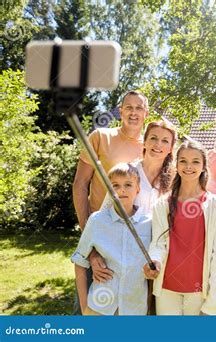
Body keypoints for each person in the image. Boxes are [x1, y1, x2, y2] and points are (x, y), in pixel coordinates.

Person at [71, 90, 148, 314]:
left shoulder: (151, 146)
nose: (134, 112)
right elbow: (80, 184)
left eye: (139, 108)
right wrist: (91, 244)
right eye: (129, 107)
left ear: (146, 113)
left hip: (133, 242)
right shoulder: (100, 137)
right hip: (98, 233)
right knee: (88, 309)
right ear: (120, 111)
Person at [143, 140, 216, 315]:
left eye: (195, 161)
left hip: (199, 292)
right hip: (167, 288)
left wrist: (212, 301)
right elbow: (158, 244)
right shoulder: (162, 204)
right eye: (183, 161)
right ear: (176, 164)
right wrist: (155, 261)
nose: (189, 166)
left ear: (204, 166)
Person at [71, 163, 151, 315]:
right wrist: (84, 307)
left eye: (128, 185)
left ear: (138, 189)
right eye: (115, 185)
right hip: (99, 308)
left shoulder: (149, 224)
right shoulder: (97, 220)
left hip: (134, 309)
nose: (121, 190)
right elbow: (79, 260)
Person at [101, 120, 177, 214]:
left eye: (165, 141)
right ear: (144, 142)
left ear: (171, 148)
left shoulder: (175, 180)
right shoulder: (126, 171)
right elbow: (105, 211)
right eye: (153, 138)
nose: (158, 144)